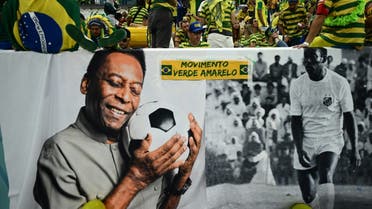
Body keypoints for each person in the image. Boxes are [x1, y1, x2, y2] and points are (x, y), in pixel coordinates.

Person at [33, 49, 203, 209]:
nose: (125, 97)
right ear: (86, 84)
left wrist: (182, 177)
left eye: (135, 90)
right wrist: (135, 178)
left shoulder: (147, 144)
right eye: (115, 83)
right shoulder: (59, 151)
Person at [290, 48, 361, 209]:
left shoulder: (339, 82)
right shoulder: (297, 84)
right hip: (307, 140)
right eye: (305, 59)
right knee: (308, 196)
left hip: (330, 138)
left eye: (313, 59)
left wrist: (354, 148)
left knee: (326, 174)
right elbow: (295, 120)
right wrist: (300, 149)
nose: (308, 63)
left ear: (325, 59)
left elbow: (349, 117)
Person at [297, 0, 365, 48]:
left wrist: (307, 42)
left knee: (309, 46)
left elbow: (320, 17)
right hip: (358, 39)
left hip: (339, 37)